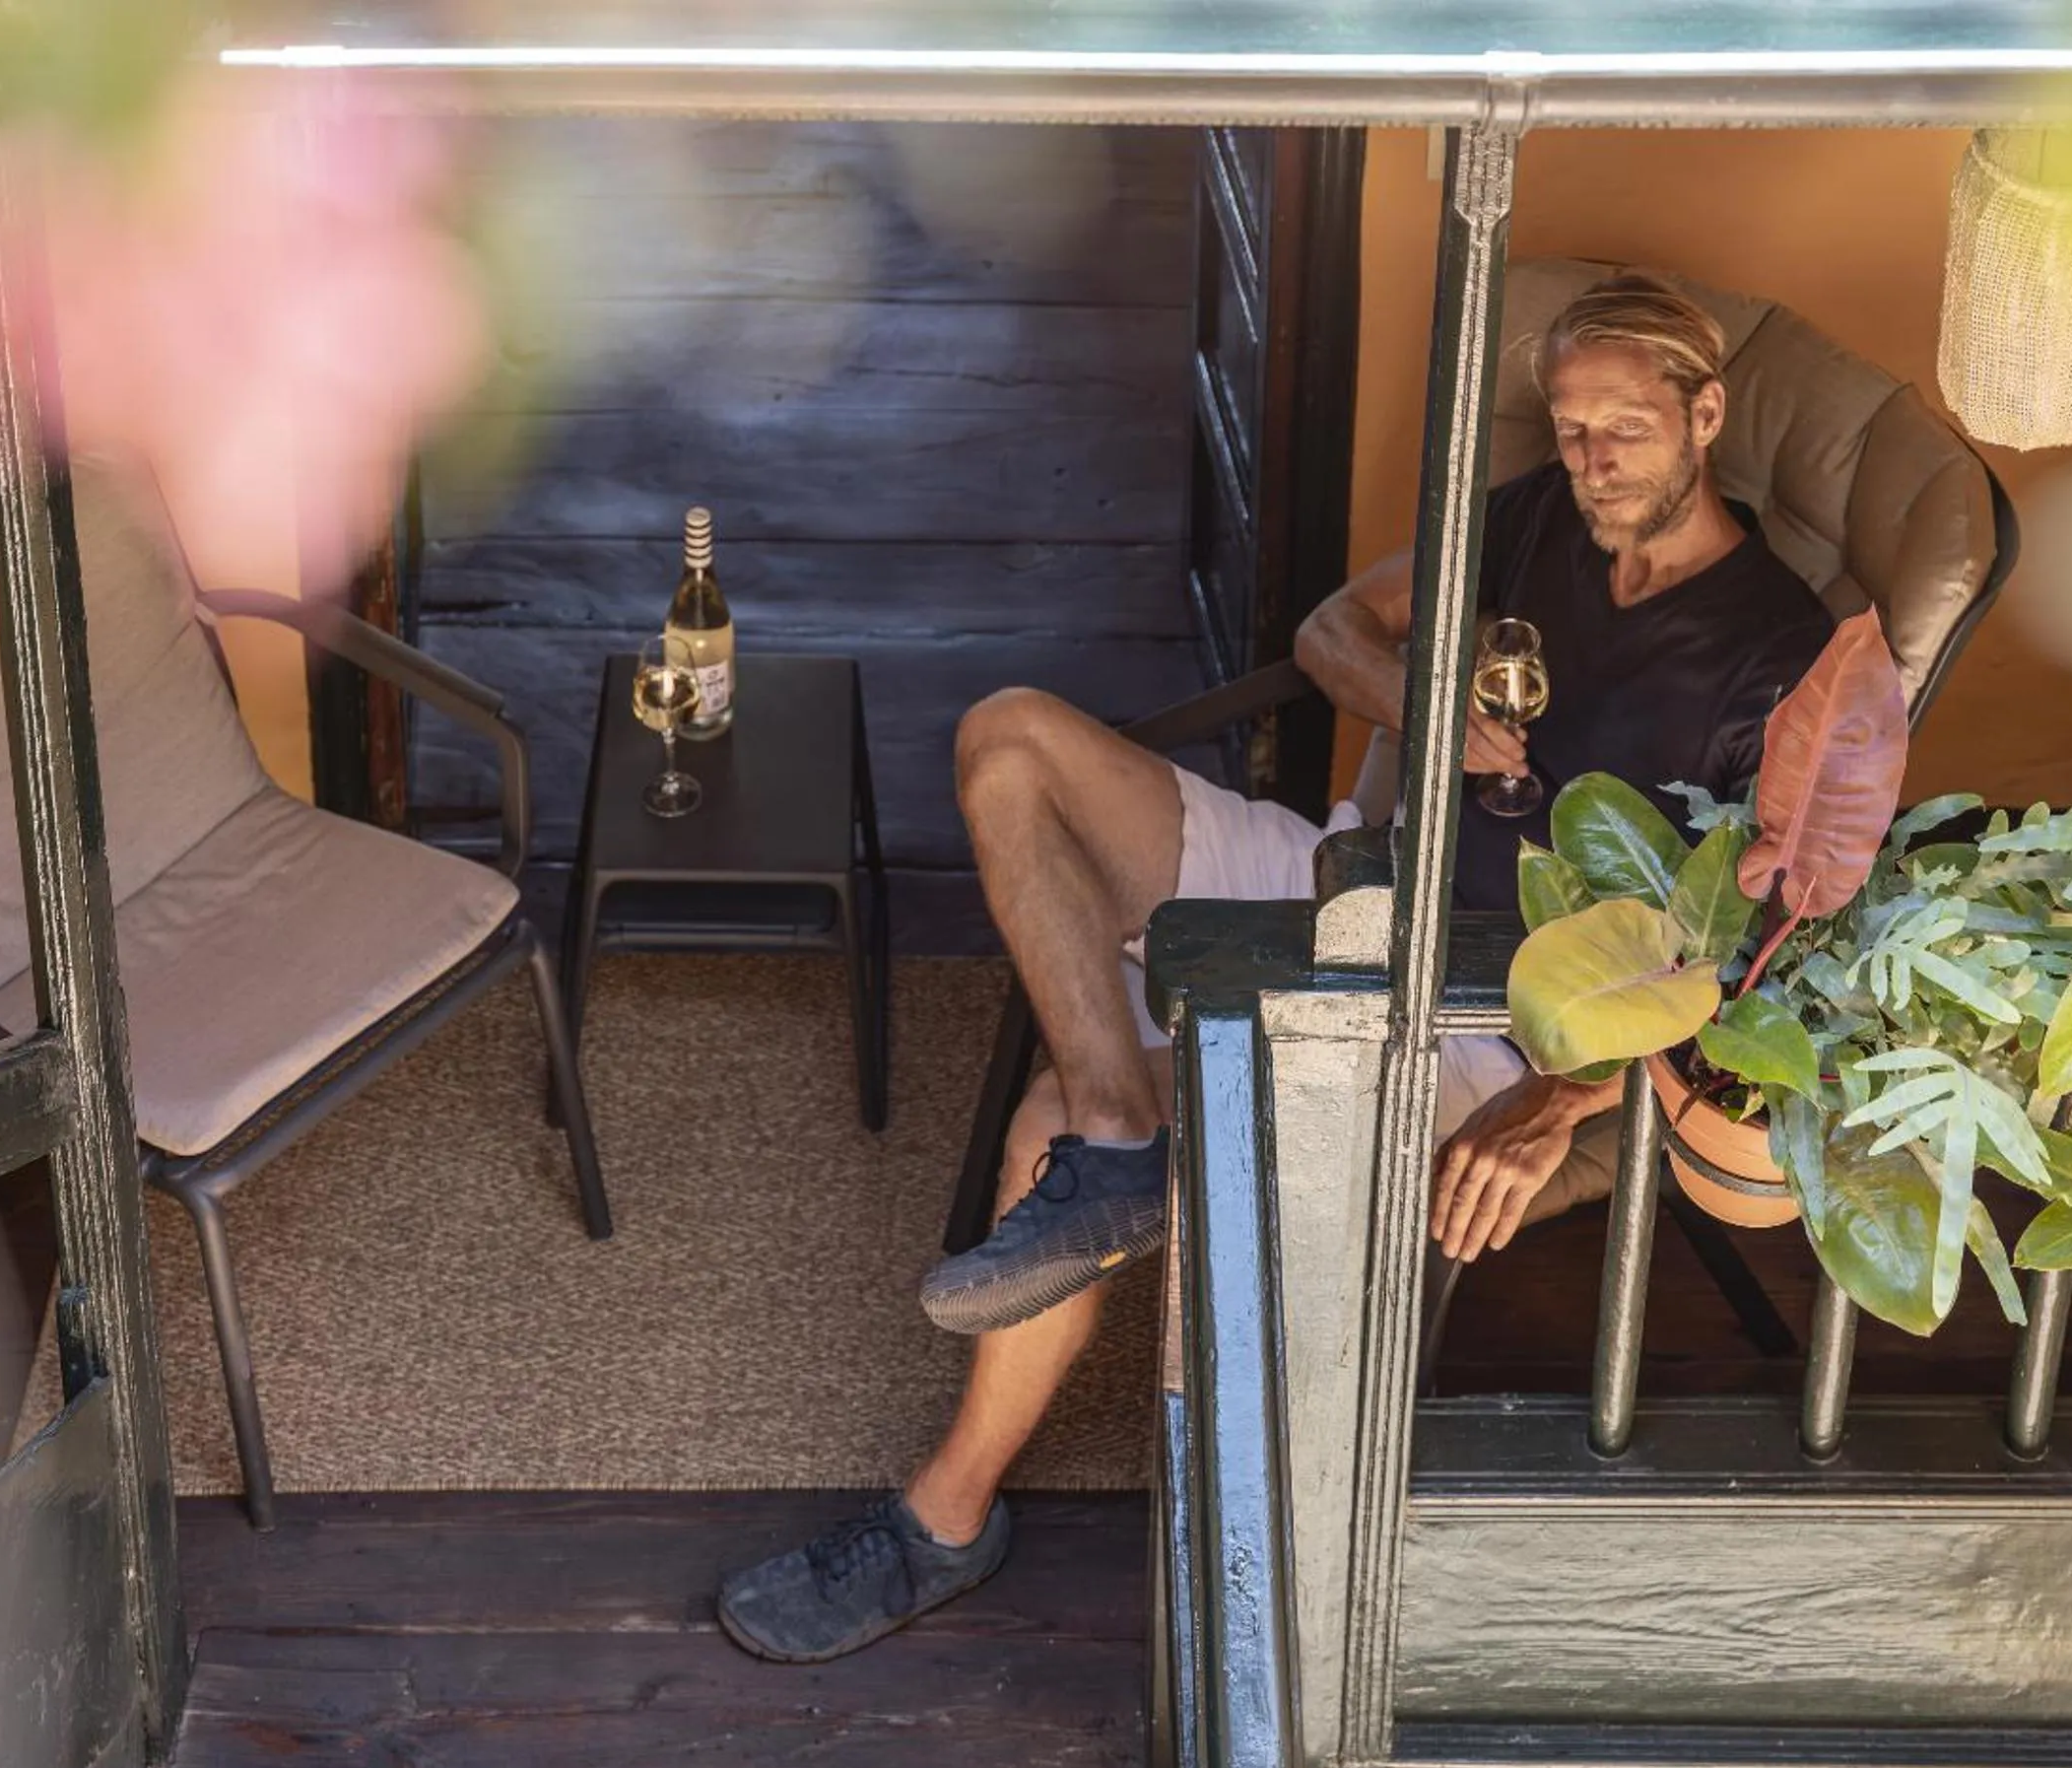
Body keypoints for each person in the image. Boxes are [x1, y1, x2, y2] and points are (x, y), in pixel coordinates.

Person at [716, 273, 1836, 1664]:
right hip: (1345, 877)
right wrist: (1424, 711)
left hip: (1472, 1011)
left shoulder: (1782, 657)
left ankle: (945, 1516)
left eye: (1626, 428)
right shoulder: (1540, 514)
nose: (1593, 459)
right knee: (1007, 736)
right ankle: (1125, 1135)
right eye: (1569, 426)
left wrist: (1562, 1103)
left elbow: (1775, 964)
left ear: (1705, 414)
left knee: (1040, 1132)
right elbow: (1330, 632)